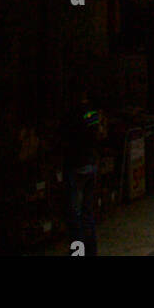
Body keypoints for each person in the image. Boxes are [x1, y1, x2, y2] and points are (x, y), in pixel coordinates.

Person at [61, 91, 102, 256]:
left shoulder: (73, 113)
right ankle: (91, 251)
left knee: (75, 215)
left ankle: (78, 252)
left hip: (77, 165)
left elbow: (66, 137)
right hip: (90, 163)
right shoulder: (92, 112)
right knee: (87, 213)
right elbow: (97, 133)